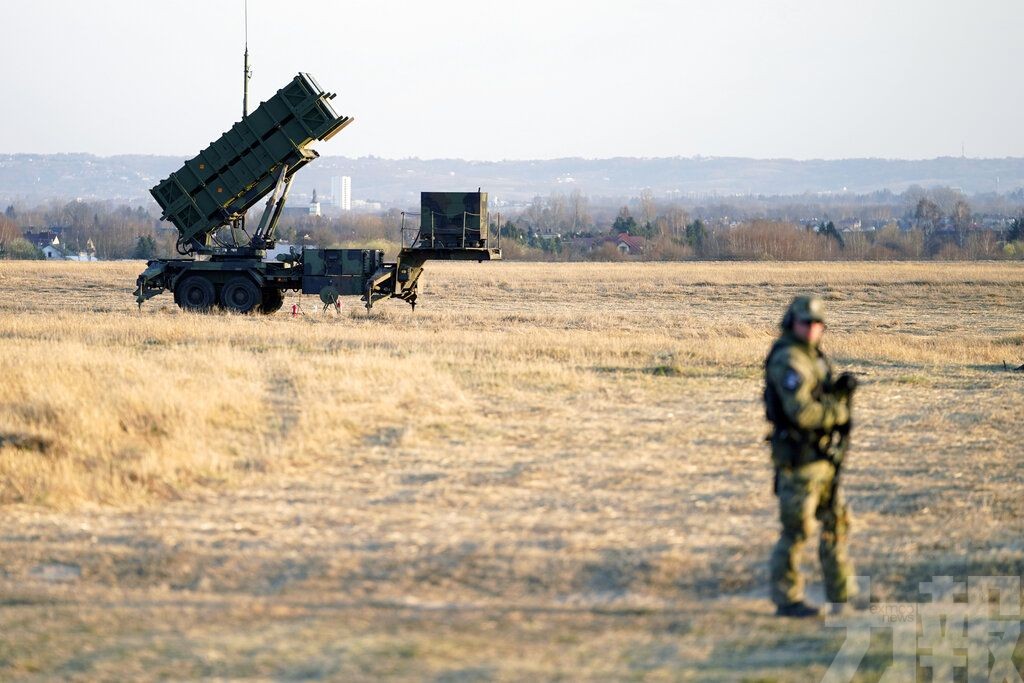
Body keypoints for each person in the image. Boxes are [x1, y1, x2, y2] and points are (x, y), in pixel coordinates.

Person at [764, 295, 857, 618]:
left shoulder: (812, 356)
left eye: (819, 324)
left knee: (837, 524)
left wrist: (837, 393)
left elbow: (817, 398)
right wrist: (837, 410)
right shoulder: (789, 359)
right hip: (799, 459)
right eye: (807, 323)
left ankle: (842, 595)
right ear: (793, 322)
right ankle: (786, 599)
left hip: (823, 457)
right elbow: (801, 412)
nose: (813, 329)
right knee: (797, 531)